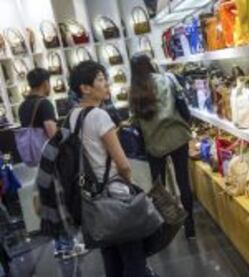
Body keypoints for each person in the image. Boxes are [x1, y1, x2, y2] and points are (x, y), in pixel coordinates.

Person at [69, 60, 152, 277]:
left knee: (111, 257)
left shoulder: (72, 116)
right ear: (85, 88)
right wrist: (129, 181)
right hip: (116, 195)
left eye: (105, 79)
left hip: (94, 199)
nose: (106, 84)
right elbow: (122, 163)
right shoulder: (99, 116)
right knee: (134, 259)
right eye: (100, 80)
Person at [18, 68, 84, 259]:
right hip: (51, 157)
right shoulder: (44, 104)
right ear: (45, 83)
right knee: (59, 200)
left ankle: (59, 244)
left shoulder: (23, 106)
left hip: (37, 159)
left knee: (48, 200)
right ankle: (67, 244)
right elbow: (51, 130)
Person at [129, 54, 195, 238]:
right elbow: (182, 104)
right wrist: (187, 122)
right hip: (177, 137)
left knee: (158, 188)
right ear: (150, 64)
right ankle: (190, 228)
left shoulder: (134, 91)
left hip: (153, 143)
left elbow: (135, 122)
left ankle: (166, 228)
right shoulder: (168, 79)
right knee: (184, 182)